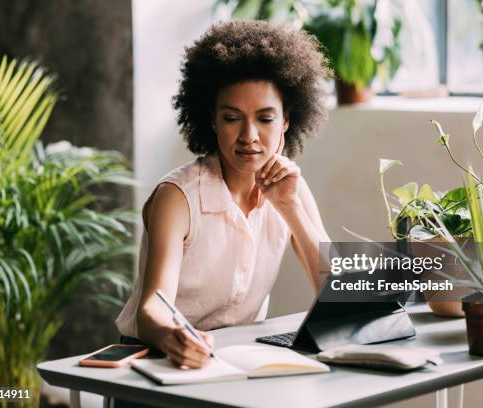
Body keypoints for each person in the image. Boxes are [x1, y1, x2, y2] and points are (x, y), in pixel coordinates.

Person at [116, 20, 331, 369]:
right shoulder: (178, 197)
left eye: (265, 118)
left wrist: (289, 207)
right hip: (156, 359)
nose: (249, 136)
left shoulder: (292, 189)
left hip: (232, 359)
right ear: (213, 120)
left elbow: (339, 292)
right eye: (232, 118)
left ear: (287, 120)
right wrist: (176, 337)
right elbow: (151, 308)